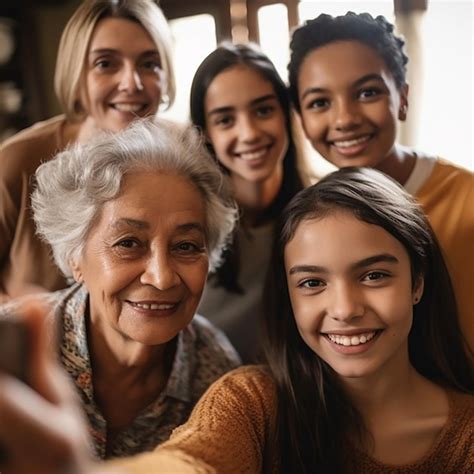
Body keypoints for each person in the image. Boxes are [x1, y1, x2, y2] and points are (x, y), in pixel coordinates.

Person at [1, 168, 473, 474]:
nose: (345, 308)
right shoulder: (252, 402)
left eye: (373, 275)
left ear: (417, 281)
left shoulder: (466, 435)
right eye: (312, 282)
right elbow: (193, 461)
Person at [0, 118, 240, 461]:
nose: (162, 278)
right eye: (128, 243)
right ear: (75, 258)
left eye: (186, 246)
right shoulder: (11, 353)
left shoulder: (217, 377)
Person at [286, 12, 474, 351]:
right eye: (319, 103)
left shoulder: (468, 200)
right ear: (300, 117)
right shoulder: (312, 223)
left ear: (402, 98)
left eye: (367, 92)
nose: (344, 119)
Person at [0, 0, 175, 302]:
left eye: (150, 63)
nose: (131, 83)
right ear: (76, 74)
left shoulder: (180, 160)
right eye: (106, 63)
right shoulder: (17, 161)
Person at [190, 42, 307, 362]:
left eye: (263, 110)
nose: (250, 133)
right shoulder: (189, 227)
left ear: (286, 114)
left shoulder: (320, 216)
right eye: (225, 120)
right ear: (206, 133)